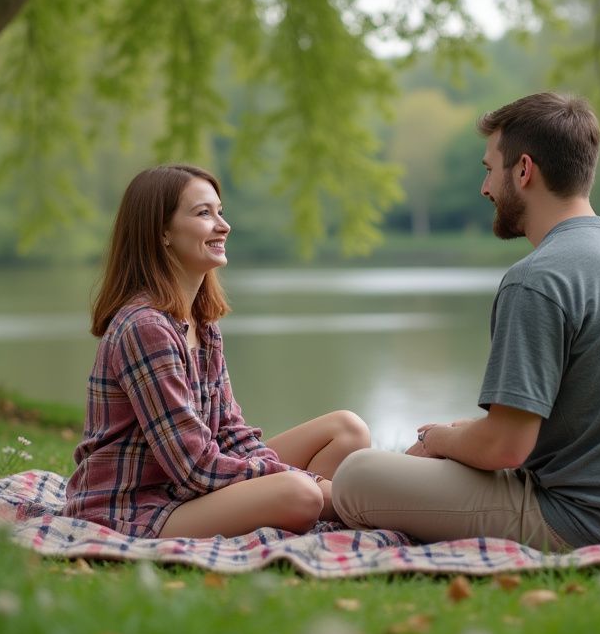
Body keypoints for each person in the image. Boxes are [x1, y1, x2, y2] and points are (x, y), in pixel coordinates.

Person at [332, 92, 600, 550]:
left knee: (357, 474)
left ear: (523, 170)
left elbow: (506, 448)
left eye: (489, 169)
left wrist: (446, 440)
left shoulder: (537, 280)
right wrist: (457, 436)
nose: (485, 187)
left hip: (583, 525)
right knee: (446, 444)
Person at [65, 164, 371, 538]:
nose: (223, 226)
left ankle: (342, 506)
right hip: (133, 506)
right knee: (301, 495)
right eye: (203, 213)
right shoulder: (145, 328)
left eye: (220, 212)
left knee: (346, 430)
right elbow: (194, 467)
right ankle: (349, 506)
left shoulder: (201, 322)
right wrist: (308, 482)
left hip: (183, 490)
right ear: (162, 232)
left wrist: (283, 472)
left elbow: (229, 431)